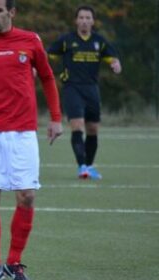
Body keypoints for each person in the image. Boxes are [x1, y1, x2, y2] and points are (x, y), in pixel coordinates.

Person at [0, 0, 63, 280]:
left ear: (11, 12)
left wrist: (56, 118)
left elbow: (46, 76)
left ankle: (14, 262)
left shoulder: (30, 41)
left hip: (23, 132)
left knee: (27, 196)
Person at [47, 5, 122, 180]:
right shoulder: (66, 40)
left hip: (92, 89)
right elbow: (48, 55)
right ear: (76, 21)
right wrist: (36, 66)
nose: (84, 21)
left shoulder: (99, 41)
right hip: (72, 88)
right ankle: (82, 167)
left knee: (93, 129)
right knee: (77, 125)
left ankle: (89, 166)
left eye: (88, 18)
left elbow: (113, 57)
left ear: (93, 21)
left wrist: (115, 64)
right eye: (81, 17)